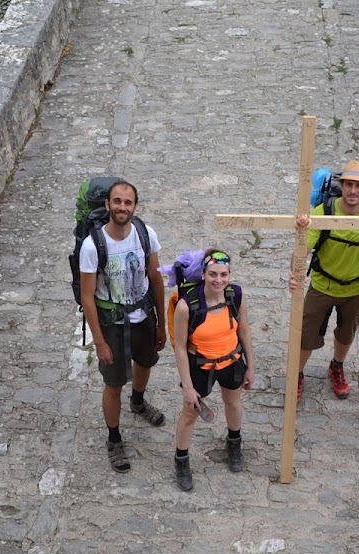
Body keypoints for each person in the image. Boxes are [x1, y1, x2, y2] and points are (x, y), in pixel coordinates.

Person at [79, 180, 167, 473]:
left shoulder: (145, 234)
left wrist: (161, 325)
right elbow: (88, 297)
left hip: (143, 315)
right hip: (112, 324)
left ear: (135, 207)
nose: (122, 207)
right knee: (113, 383)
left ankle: (138, 402)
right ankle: (114, 438)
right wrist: (100, 342)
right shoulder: (92, 246)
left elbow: (156, 279)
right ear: (107, 205)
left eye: (128, 202)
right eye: (117, 201)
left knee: (145, 362)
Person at [289, 160, 359, 401]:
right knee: (306, 336)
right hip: (322, 286)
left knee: (346, 335)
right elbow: (303, 249)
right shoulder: (322, 212)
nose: (353, 191)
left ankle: (337, 366)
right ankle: (298, 375)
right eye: (349, 184)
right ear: (342, 185)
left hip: (357, 290)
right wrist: (294, 273)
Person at [171, 249, 255, 491]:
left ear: (229, 274)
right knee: (190, 414)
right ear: (203, 274)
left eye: (224, 274)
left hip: (231, 362)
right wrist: (188, 387)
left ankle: (234, 443)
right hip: (200, 367)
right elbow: (180, 348)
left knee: (234, 404)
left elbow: (244, 331)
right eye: (213, 274)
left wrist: (251, 366)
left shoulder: (236, 295)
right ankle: (181, 460)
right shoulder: (187, 306)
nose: (219, 280)